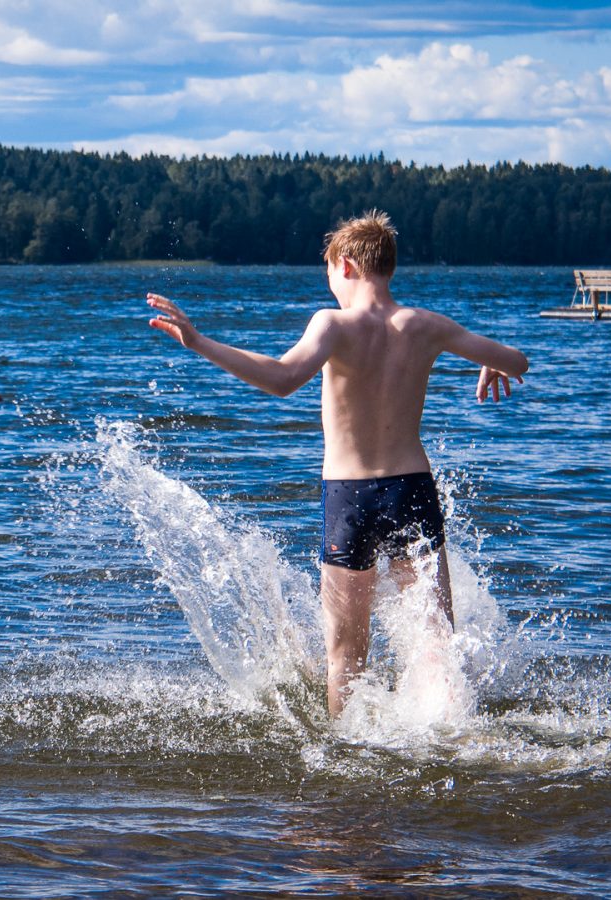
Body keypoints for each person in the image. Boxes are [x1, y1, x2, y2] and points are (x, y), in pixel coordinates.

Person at [146, 210, 528, 716]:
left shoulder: (332, 324)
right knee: (435, 641)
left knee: (346, 654)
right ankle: (450, 735)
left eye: (329, 273)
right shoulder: (426, 325)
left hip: (349, 498)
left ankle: (346, 747)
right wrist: (490, 361)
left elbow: (282, 378)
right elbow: (517, 361)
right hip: (412, 490)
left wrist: (198, 342)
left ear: (345, 265)